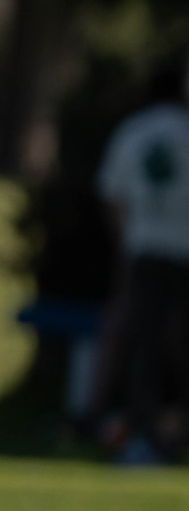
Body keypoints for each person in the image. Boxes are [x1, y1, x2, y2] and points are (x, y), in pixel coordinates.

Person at [91, 59, 189, 464]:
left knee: (143, 347)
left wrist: (127, 243)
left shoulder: (134, 131)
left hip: (147, 250)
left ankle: (143, 436)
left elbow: (113, 196)